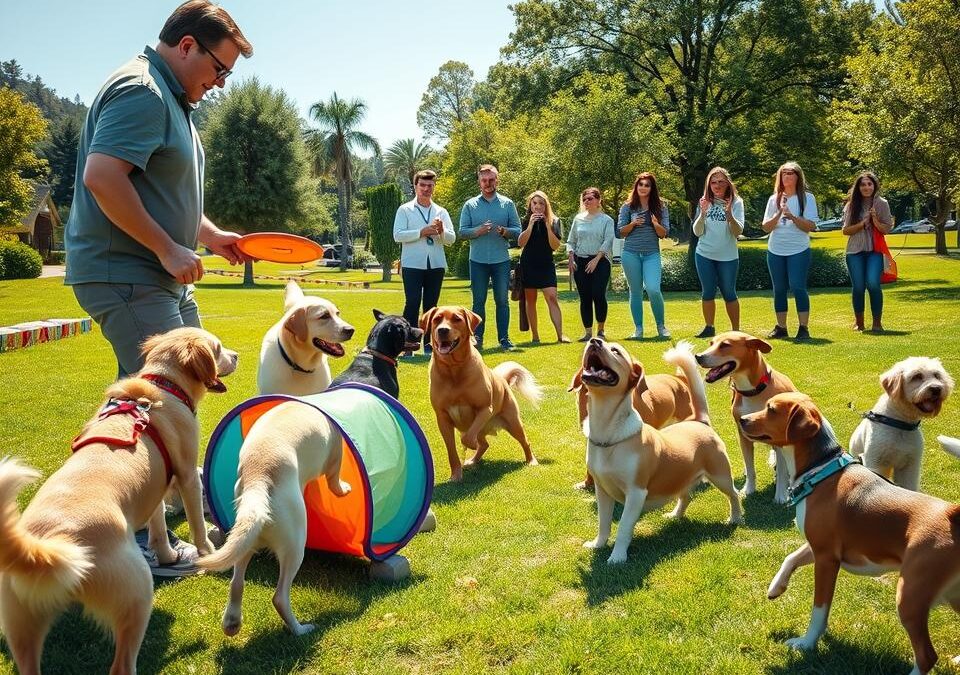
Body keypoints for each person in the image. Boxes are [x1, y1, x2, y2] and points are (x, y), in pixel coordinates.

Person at [63, 0, 253, 577]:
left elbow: (159, 191)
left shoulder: (174, 100)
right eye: (218, 69)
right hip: (127, 273)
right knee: (150, 409)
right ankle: (144, 545)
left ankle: (150, 521)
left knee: (180, 397)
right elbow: (103, 177)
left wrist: (209, 235)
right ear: (188, 46)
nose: (218, 83)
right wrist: (167, 249)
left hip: (154, 275)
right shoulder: (144, 91)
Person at [459, 164, 521, 351]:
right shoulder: (470, 205)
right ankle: (477, 339)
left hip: (501, 260)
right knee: (478, 302)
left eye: (491, 180)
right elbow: (462, 232)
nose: (488, 183)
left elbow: (518, 230)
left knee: (502, 300)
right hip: (477, 261)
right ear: (479, 182)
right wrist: (477, 231)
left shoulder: (507, 204)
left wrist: (505, 231)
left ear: (497, 180)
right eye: (484, 180)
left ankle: (504, 339)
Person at [393, 169, 455, 355]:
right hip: (412, 263)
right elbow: (397, 235)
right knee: (412, 302)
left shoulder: (441, 211)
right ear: (415, 186)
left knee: (431, 306)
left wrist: (442, 231)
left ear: (434, 187)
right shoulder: (405, 209)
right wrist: (421, 232)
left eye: (430, 186)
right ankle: (409, 345)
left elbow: (451, 239)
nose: (426, 189)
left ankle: (430, 345)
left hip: (435, 264)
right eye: (423, 185)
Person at [761, 161, 819, 340]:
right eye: (784, 173)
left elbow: (810, 226)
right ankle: (781, 327)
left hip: (798, 249)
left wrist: (792, 216)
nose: (787, 176)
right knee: (779, 289)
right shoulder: (774, 199)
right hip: (776, 249)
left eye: (791, 173)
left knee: (797, 286)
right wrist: (779, 213)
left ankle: (803, 327)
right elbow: (766, 227)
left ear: (798, 177)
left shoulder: (807, 198)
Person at [616, 172, 671, 339]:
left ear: (652, 188)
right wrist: (632, 224)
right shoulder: (627, 207)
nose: (643, 188)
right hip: (630, 253)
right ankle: (638, 329)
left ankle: (661, 326)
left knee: (653, 289)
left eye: (647, 185)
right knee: (635, 291)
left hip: (651, 254)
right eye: (641, 184)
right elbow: (620, 232)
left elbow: (664, 233)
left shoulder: (661, 207)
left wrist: (655, 224)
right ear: (636, 186)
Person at [692, 167, 744, 338]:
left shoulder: (736, 202)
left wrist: (729, 214)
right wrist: (703, 213)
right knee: (707, 291)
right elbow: (697, 232)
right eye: (713, 182)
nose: (717, 185)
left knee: (729, 292)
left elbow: (737, 232)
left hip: (728, 256)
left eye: (721, 182)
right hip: (705, 254)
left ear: (728, 183)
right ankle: (709, 327)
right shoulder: (704, 201)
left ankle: (735, 330)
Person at [841, 171, 893, 332]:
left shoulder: (882, 203)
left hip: (874, 251)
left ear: (874, 185)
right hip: (854, 251)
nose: (866, 187)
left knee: (872, 283)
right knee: (858, 287)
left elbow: (886, 229)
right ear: (858, 187)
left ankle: (877, 323)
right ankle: (859, 322)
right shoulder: (851, 205)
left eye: (869, 184)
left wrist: (875, 219)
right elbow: (846, 230)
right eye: (863, 184)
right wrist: (863, 224)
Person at [517, 190, 570, 344]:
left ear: (546, 205)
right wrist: (531, 225)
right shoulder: (525, 220)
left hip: (546, 264)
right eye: (535, 203)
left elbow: (555, 246)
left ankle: (560, 335)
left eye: (541, 203)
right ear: (530, 205)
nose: (538, 206)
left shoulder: (555, 221)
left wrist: (547, 226)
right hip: (529, 264)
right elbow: (520, 243)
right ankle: (535, 336)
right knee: (530, 300)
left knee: (552, 297)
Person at [567, 187, 615, 342]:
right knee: (585, 297)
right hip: (580, 261)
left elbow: (608, 241)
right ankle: (588, 332)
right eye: (584, 199)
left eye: (590, 198)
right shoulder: (578, 219)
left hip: (600, 261)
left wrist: (596, 259)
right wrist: (571, 256)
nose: (587, 201)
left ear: (598, 200)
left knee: (598, 294)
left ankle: (600, 330)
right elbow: (571, 241)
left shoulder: (606, 220)